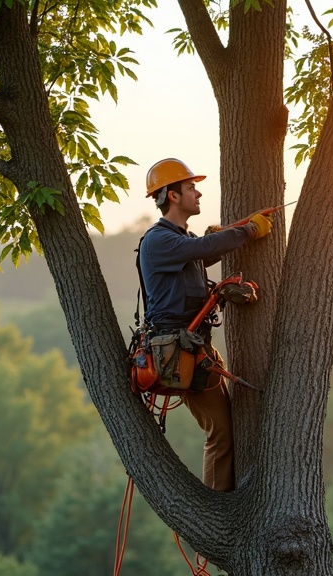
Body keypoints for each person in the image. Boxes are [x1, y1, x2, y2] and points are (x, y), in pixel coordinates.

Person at [137, 158, 272, 492]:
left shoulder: (181, 240)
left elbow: (201, 251)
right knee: (221, 433)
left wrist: (227, 236)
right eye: (190, 187)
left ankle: (222, 502)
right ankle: (218, 511)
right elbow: (201, 249)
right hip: (179, 351)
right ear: (172, 196)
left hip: (195, 347)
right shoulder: (160, 241)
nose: (197, 193)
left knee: (227, 430)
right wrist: (248, 231)